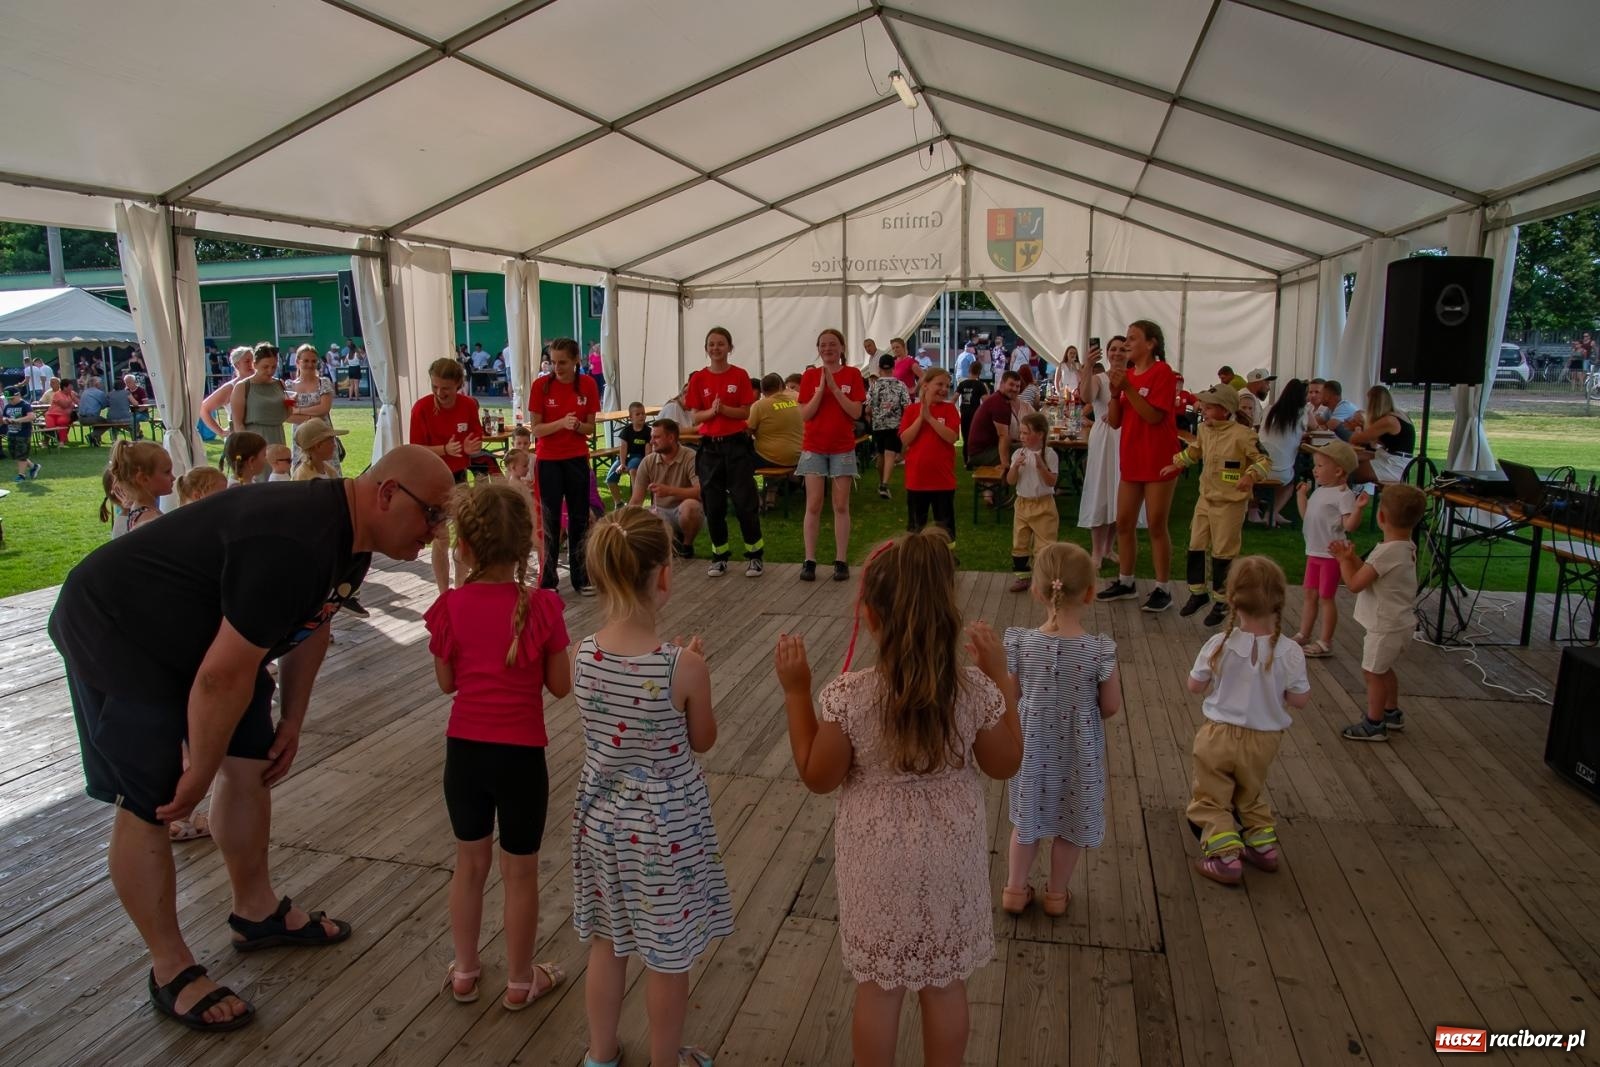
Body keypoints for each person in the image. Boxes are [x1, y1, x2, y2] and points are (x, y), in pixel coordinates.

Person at [49, 445, 453, 1032]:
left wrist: (292, 718)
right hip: (117, 628)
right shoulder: (294, 542)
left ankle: (256, 911)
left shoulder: (354, 538)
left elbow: (315, 621)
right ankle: (170, 967)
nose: (437, 531)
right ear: (388, 493)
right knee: (149, 800)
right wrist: (197, 769)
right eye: (433, 514)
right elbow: (220, 678)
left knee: (250, 761)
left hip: (206, 637)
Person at [773, 529, 1021, 1066]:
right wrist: (1002, 679)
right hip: (951, 853)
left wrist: (796, 692)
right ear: (947, 614)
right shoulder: (972, 690)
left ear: (871, 616)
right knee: (945, 984)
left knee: (880, 989)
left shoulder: (850, 697)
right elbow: (1005, 764)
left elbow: (818, 775)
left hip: (878, 858)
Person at [571, 507, 731, 1067]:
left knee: (607, 943)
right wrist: (695, 671)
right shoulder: (681, 667)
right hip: (664, 834)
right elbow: (702, 739)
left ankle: (600, 1054)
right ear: (663, 575)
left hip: (600, 822)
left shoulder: (582, 655)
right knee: (667, 956)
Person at [426, 482, 571, 1011]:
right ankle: (519, 981)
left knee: (469, 864)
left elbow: (447, 684)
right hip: (521, 757)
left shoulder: (448, 607)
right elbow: (561, 686)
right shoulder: (544, 607)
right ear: (527, 545)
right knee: (521, 871)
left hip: (464, 753)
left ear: (463, 547)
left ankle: (465, 972)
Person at [1002, 542, 1120, 916]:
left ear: (1038, 592)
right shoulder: (1099, 651)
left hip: (1032, 752)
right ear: (1090, 592)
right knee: (1069, 826)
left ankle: (1014, 890)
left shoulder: (1022, 643)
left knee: (1026, 823)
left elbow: (1011, 695)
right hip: (1077, 757)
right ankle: (1056, 895)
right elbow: (1111, 706)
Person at [1184, 557, 1310, 885]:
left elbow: (1195, 685)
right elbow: (1300, 699)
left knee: (1211, 797)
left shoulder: (1219, 644)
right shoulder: (1291, 651)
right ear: (1279, 600)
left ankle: (1225, 857)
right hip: (1264, 740)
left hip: (1218, 737)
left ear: (1232, 599)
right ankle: (1263, 847)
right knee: (1249, 794)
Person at [1162, 385, 1269, 627]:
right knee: (1196, 545)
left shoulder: (1243, 435)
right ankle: (1197, 592)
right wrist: (1177, 463)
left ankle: (1222, 600)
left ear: (1225, 410)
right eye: (1204, 407)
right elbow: (1195, 451)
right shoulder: (1204, 430)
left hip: (1230, 504)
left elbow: (1263, 459)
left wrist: (1250, 475)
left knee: (1223, 552)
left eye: (1209, 408)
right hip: (1205, 499)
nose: (1204, 412)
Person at [1098, 321, 1180, 613]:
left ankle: (1163, 588)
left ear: (1151, 343)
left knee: (1156, 524)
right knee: (1123, 522)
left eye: (1133, 338)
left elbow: (1154, 416)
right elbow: (1115, 421)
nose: (1127, 344)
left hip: (1159, 459)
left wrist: (1127, 388)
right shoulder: (1129, 376)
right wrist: (1114, 393)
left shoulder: (1163, 373)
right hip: (1132, 458)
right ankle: (1126, 581)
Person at [1333, 483, 1425, 742]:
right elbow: (1370, 572)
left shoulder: (1386, 552)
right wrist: (1353, 559)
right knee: (1383, 669)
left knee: (1372, 673)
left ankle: (1374, 724)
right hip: (1398, 624)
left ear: (1381, 516)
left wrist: (1343, 561)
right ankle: (1391, 712)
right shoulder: (1403, 546)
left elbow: (1354, 584)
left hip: (1385, 626)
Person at [685, 327, 765, 578]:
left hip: (736, 446)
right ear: (706, 349)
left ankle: (755, 555)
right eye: (711, 344)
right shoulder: (699, 378)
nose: (716, 348)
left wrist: (723, 410)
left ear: (730, 347)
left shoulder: (739, 375)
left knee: (745, 503)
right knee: (714, 506)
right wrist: (712, 412)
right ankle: (719, 556)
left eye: (721, 344)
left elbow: (745, 411)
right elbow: (695, 416)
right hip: (710, 449)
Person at [528, 338, 599, 596]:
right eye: (552, 362)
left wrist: (578, 426)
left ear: (576, 360)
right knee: (550, 519)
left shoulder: (588, 384)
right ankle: (548, 580)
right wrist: (560, 423)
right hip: (549, 460)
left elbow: (590, 427)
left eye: (563, 362)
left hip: (577, 458)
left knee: (579, 518)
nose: (556, 368)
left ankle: (581, 577)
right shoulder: (541, 386)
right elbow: (536, 429)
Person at [411, 356, 485, 595]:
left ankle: (460, 588)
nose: (439, 393)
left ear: (458, 385)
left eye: (446, 388)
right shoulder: (421, 408)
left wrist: (472, 446)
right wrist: (444, 449)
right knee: (441, 537)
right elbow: (416, 448)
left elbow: (476, 435)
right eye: (435, 386)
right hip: (433, 478)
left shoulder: (468, 405)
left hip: (459, 476)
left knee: (464, 535)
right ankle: (444, 593)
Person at [797, 329, 865, 582]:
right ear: (818, 349)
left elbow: (856, 412)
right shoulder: (809, 376)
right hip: (814, 447)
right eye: (823, 345)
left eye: (833, 344)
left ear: (842, 347)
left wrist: (835, 389)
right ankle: (809, 559)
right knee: (813, 504)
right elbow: (805, 414)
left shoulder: (853, 374)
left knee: (840, 505)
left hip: (842, 448)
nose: (828, 349)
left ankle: (841, 560)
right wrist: (820, 389)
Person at [1293, 441, 1368, 658]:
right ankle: (1303, 633)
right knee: (1310, 594)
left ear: (1338, 471)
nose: (1314, 470)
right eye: (1315, 465)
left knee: (1326, 597)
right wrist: (1301, 497)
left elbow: (1349, 526)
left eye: (1320, 465)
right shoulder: (1320, 491)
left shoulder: (1343, 495)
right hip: (1313, 552)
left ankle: (1325, 641)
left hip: (1330, 555)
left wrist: (1358, 509)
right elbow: (1307, 516)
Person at [899, 368, 962, 547]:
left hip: (943, 480)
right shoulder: (911, 410)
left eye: (947, 386)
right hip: (917, 480)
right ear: (926, 385)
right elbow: (905, 439)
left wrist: (931, 419)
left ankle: (947, 554)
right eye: (939, 384)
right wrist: (921, 418)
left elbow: (951, 437)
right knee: (916, 526)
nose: (944, 389)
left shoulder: (949, 409)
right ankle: (915, 556)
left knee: (945, 525)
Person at [1077, 338, 1123, 570]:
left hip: (1125, 438)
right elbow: (1086, 397)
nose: (1117, 353)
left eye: (1122, 349)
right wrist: (1087, 366)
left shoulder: (1133, 379)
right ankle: (1096, 551)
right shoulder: (1099, 379)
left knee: (1119, 493)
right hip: (1104, 438)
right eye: (1113, 349)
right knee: (1100, 492)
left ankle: (1108, 547)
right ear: (1107, 352)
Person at [629, 417, 703, 557]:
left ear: (671, 438)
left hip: (683, 510)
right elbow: (636, 500)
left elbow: (700, 491)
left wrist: (669, 491)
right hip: (660, 511)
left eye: (656, 437)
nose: (652, 441)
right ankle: (671, 542)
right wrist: (622, 521)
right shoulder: (648, 461)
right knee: (648, 516)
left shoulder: (691, 457)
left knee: (690, 507)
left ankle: (686, 546)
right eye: (651, 437)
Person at [1006, 412, 1060, 592]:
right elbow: (1011, 481)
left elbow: (1052, 482)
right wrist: (1014, 467)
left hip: (1043, 504)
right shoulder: (1018, 454)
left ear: (1040, 434)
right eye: (1021, 433)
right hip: (1023, 504)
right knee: (1019, 542)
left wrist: (1042, 467)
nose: (1022, 436)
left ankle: (1044, 578)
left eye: (1026, 433)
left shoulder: (1050, 454)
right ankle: (1022, 577)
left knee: (1045, 544)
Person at [1255, 378, 1308, 525]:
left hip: (1259, 466)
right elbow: (1315, 427)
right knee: (1290, 483)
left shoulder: (1269, 409)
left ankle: (1256, 509)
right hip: (1282, 472)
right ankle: (1271, 514)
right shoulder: (1302, 413)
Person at [748, 372, 803, 511]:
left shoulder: (760, 406)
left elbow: (748, 430)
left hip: (772, 458)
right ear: (781, 386)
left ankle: (760, 494)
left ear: (762, 391)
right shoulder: (796, 399)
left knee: (745, 461)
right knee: (768, 454)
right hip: (798, 456)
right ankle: (771, 494)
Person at [99, 440, 173, 537]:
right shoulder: (150, 520)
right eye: (167, 472)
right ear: (144, 479)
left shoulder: (138, 510)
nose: (173, 477)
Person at [1346, 385, 1416, 484]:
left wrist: (1357, 428)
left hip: (1394, 464)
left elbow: (1356, 439)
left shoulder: (1389, 420)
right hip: (1391, 457)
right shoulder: (1400, 415)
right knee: (1352, 457)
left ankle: (1355, 491)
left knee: (1350, 474)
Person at [866, 353, 911, 501]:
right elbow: (907, 406)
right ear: (893, 367)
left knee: (880, 455)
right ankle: (884, 485)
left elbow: (867, 408)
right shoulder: (900, 385)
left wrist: (874, 414)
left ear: (879, 368)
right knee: (890, 454)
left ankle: (881, 482)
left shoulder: (874, 386)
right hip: (895, 424)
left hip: (878, 425)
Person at [286, 344, 335, 463]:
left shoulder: (324, 382)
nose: (310, 364)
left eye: (313, 361)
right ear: (297, 362)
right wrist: (313, 418)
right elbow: (287, 416)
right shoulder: (289, 386)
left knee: (327, 469)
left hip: (322, 435)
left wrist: (298, 411)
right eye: (306, 361)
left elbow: (324, 408)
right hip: (301, 437)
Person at [966, 370, 1023, 471]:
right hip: (981, 454)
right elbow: (1003, 436)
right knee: (1029, 450)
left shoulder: (999, 399)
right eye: (1011, 385)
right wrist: (1005, 464)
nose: (1014, 389)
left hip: (984, 450)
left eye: (1017, 386)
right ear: (1002, 384)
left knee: (1028, 446)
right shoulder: (999, 404)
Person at [605, 401, 650, 510]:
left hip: (639, 457)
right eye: (637, 414)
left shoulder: (648, 431)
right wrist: (622, 464)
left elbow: (648, 452)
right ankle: (618, 503)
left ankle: (635, 503)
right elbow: (623, 448)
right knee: (610, 479)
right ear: (631, 418)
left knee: (633, 469)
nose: (641, 416)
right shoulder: (626, 431)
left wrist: (647, 467)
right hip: (625, 457)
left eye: (643, 413)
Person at [201, 347, 254, 438]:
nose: (252, 364)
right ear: (237, 365)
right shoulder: (230, 387)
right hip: (239, 439)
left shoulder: (261, 383)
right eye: (247, 361)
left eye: (254, 361)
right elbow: (204, 409)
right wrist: (221, 432)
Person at [953, 359, 991, 467]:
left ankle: (966, 461)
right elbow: (986, 401)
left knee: (965, 437)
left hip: (964, 413)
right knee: (974, 437)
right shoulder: (980, 385)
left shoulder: (962, 384)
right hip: (975, 414)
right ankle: (974, 458)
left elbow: (954, 399)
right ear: (979, 372)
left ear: (969, 370)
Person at [3, 388, 41, 483]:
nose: (10, 401)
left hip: (23, 434)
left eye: (12, 398)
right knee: (15, 454)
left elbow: (32, 416)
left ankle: (21, 476)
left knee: (21, 455)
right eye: (8, 399)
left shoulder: (25, 405)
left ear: (18, 395)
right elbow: (4, 417)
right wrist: (5, 420)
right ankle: (33, 467)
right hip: (11, 433)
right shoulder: (7, 406)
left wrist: (17, 420)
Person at [43, 376, 77, 444]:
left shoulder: (71, 393)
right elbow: (64, 405)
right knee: (50, 427)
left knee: (63, 422)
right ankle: (51, 440)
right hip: (52, 414)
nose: (72, 388)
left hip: (63, 415)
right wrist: (71, 401)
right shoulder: (57, 394)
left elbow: (78, 402)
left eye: (53, 383)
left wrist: (73, 402)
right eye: (70, 386)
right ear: (65, 387)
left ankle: (61, 441)